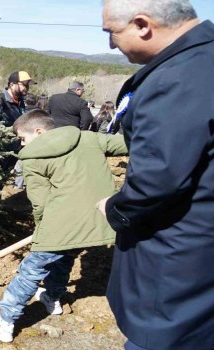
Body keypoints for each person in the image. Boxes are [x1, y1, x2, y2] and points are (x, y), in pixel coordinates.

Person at [97, 1, 214, 349]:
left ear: (142, 24)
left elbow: (157, 179)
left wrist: (115, 208)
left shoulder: (179, 77)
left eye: (111, 33)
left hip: (180, 264)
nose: (110, 45)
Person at [0, 110, 127, 343]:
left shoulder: (32, 156)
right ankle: (52, 298)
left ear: (39, 132)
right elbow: (128, 143)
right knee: (65, 256)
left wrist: (42, 229)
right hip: (102, 218)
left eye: (22, 138)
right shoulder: (88, 137)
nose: (21, 144)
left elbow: (39, 200)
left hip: (62, 221)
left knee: (32, 269)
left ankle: (5, 321)